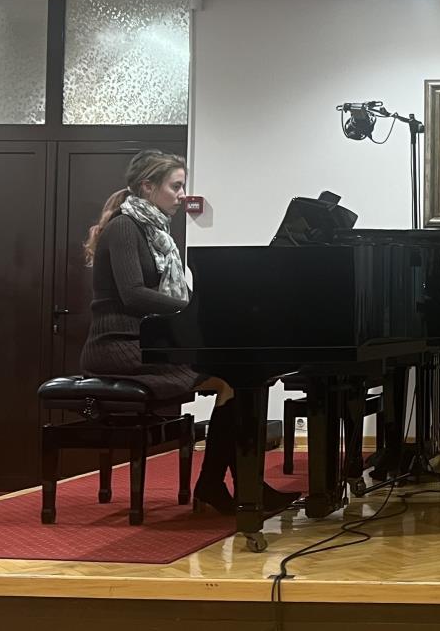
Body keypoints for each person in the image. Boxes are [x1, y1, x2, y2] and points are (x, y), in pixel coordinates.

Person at [80, 149, 298, 515]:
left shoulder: (154, 231)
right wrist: (193, 307)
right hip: (117, 346)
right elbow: (133, 294)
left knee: (241, 379)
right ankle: (218, 486)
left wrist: (197, 307)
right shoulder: (124, 227)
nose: (183, 195)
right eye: (176, 186)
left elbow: (159, 297)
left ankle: (233, 485)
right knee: (229, 383)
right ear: (148, 187)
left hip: (146, 340)